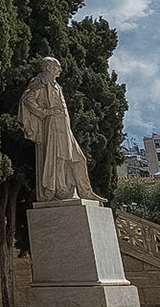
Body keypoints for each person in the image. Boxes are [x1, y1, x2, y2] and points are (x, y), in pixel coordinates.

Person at [19, 56, 100, 202]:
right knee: (59, 157)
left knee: (79, 158)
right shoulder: (40, 81)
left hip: (64, 126)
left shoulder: (55, 84)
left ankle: (85, 191)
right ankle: (60, 189)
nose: (60, 70)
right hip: (53, 125)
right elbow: (27, 99)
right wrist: (44, 112)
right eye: (57, 67)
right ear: (49, 67)